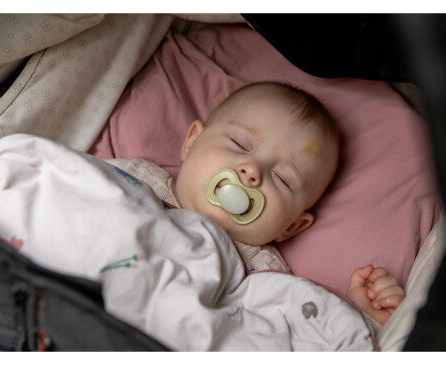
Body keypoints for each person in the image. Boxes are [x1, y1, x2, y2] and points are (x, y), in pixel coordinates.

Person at [109, 81, 404, 326]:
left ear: (290, 226)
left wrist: (359, 317)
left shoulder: (264, 273)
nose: (252, 171)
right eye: (240, 144)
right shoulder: (135, 177)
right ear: (192, 142)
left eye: (283, 179)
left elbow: (297, 335)